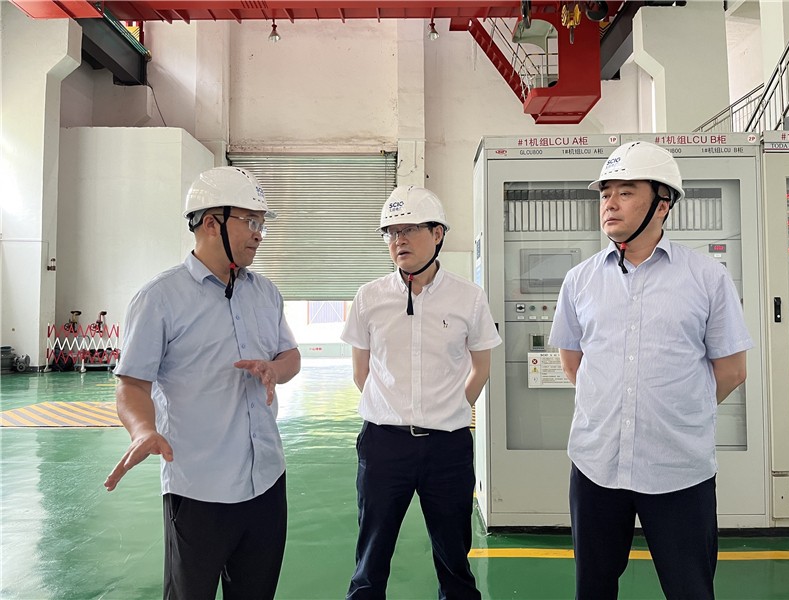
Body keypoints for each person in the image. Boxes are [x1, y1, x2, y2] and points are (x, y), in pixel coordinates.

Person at [549, 141, 753, 600]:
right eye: (605, 194)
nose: (609, 204)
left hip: (677, 470)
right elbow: (572, 360)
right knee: (593, 589)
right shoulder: (580, 280)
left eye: (625, 192)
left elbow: (732, 370)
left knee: (690, 589)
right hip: (596, 466)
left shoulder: (707, 277)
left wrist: (675, 412)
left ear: (663, 203)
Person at [103, 166, 301, 600]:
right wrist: (143, 429)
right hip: (199, 489)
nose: (259, 234)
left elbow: (290, 356)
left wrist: (275, 370)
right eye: (250, 221)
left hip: (267, 481)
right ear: (211, 223)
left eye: (261, 224)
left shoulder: (265, 293)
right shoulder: (159, 299)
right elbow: (131, 384)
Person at [341, 185, 502, 599]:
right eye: (391, 232)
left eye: (409, 229)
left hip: (447, 447)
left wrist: (451, 408)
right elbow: (361, 371)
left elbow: (481, 367)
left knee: (454, 556)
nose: (399, 240)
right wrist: (392, 408)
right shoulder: (369, 297)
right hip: (383, 446)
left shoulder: (468, 298)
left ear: (437, 234)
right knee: (371, 556)